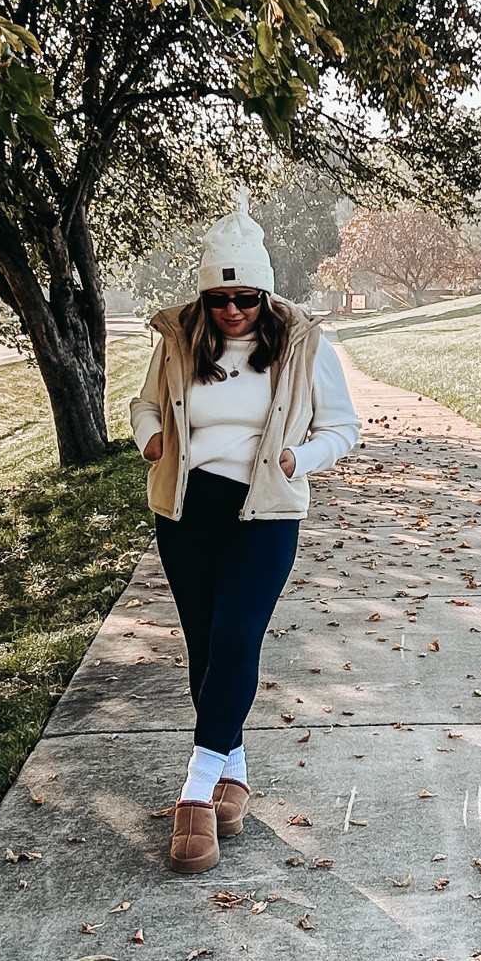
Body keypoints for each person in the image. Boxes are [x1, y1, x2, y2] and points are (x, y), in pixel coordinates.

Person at [129, 192, 359, 872]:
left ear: (266, 293)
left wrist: (301, 458)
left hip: (265, 511)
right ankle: (234, 771)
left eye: (247, 299)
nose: (233, 312)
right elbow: (144, 404)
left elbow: (341, 428)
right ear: (204, 301)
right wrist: (150, 441)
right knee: (206, 645)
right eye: (220, 301)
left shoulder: (303, 344)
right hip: (186, 510)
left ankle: (197, 791)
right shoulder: (179, 341)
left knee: (236, 635)